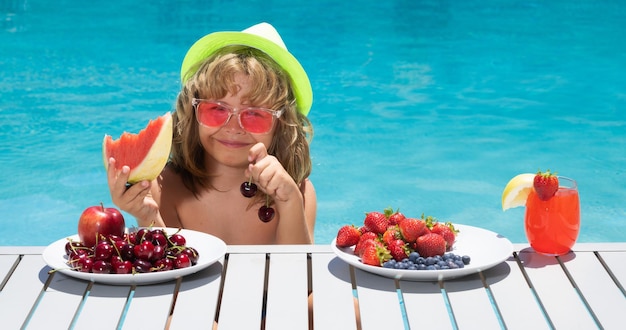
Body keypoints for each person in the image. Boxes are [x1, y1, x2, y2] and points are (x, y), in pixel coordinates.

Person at [107, 22, 316, 245]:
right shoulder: (165, 187)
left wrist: (290, 201)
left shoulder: (298, 191)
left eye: (254, 114)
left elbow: (299, 272)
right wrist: (147, 217)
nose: (233, 127)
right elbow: (168, 269)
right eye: (216, 109)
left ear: (281, 123)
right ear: (192, 111)